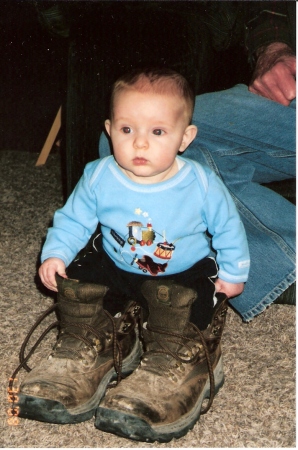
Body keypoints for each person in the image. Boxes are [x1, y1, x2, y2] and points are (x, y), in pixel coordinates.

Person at [18, 69, 250, 442]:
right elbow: (73, 220)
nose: (139, 144)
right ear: (110, 131)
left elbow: (228, 229)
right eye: (127, 130)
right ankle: (95, 341)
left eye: (157, 132)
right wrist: (56, 254)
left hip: (181, 271)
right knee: (81, 274)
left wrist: (235, 272)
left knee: (190, 300)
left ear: (184, 137)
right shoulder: (98, 175)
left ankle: (176, 357)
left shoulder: (201, 183)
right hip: (116, 262)